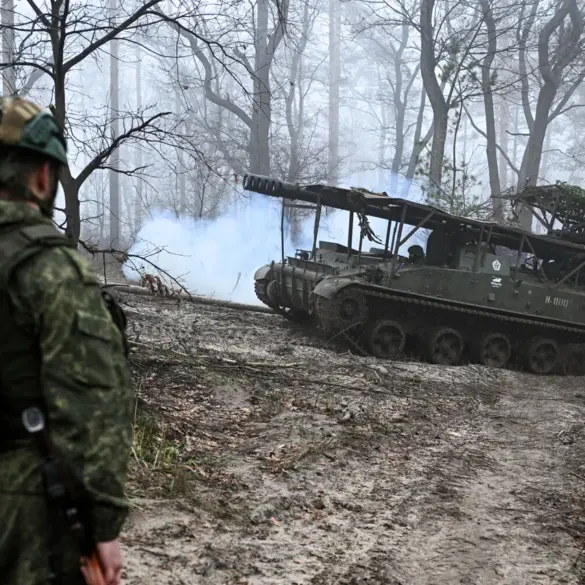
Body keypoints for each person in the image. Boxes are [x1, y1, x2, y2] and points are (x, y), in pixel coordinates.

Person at [0, 97, 134, 585]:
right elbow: (90, 405)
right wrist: (102, 523)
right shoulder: (49, 269)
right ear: (42, 176)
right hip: (22, 507)